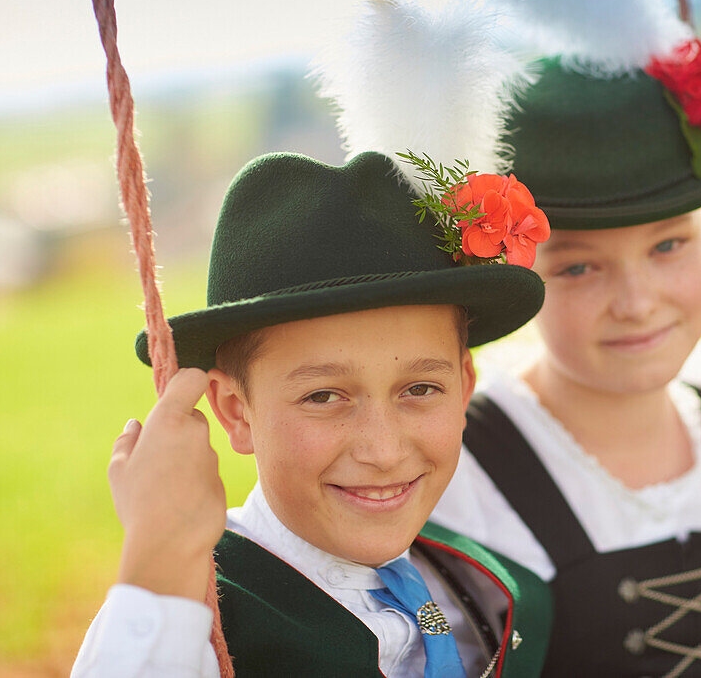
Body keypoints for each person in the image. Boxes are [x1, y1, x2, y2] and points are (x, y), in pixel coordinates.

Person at [71, 150, 554, 677]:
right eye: (323, 397)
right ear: (236, 412)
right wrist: (158, 555)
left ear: (464, 389)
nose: (383, 450)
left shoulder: (482, 582)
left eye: (419, 388)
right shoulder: (189, 618)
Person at [431, 52, 701, 677]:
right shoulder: (457, 466)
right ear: (514, 271)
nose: (638, 305)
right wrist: (426, 624)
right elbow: (428, 637)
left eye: (668, 244)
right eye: (578, 267)